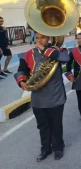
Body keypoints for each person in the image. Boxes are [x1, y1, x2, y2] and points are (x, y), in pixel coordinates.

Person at [14, 32, 70, 161]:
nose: (39, 41)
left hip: (56, 95)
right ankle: (45, 149)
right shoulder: (28, 54)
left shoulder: (58, 50)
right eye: (37, 38)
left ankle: (58, 148)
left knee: (56, 124)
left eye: (42, 38)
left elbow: (66, 59)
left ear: (49, 38)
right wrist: (21, 81)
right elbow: (21, 70)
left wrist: (44, 49)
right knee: (42, 125)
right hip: (38, 97)